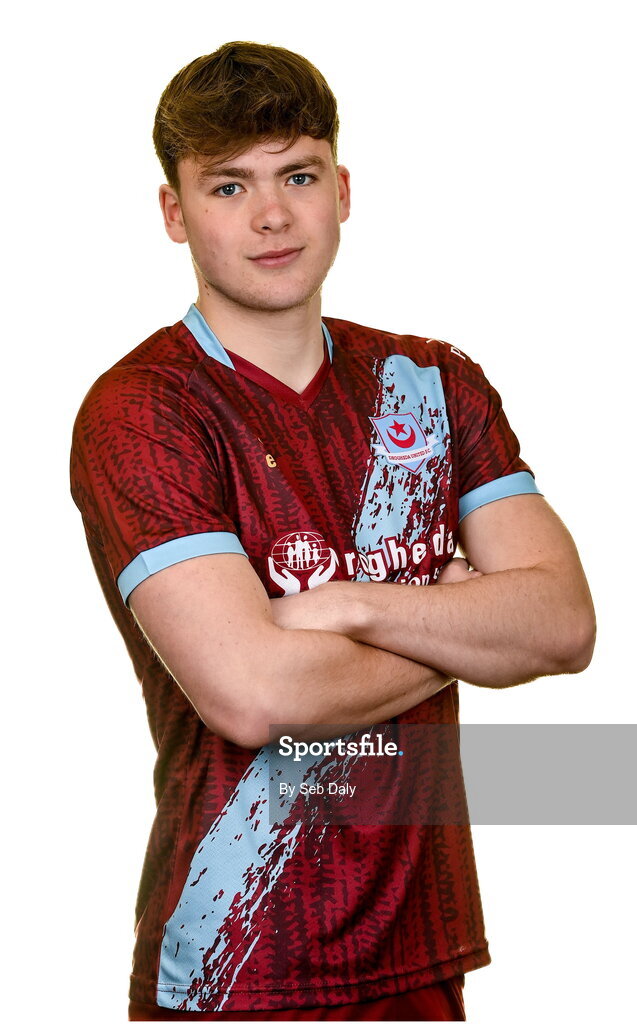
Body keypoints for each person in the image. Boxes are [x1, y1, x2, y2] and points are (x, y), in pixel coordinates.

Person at [70, 41, 596, 1022]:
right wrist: (460, 632)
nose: (271, 215)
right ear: (174, 212)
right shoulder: (143, 411)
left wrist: (353, 603)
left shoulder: (432, 384)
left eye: (297, 175)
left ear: (341, 190)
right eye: (228, 186)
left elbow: (563, 622)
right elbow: (255, 695)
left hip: (422, 950)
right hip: (236, 971)